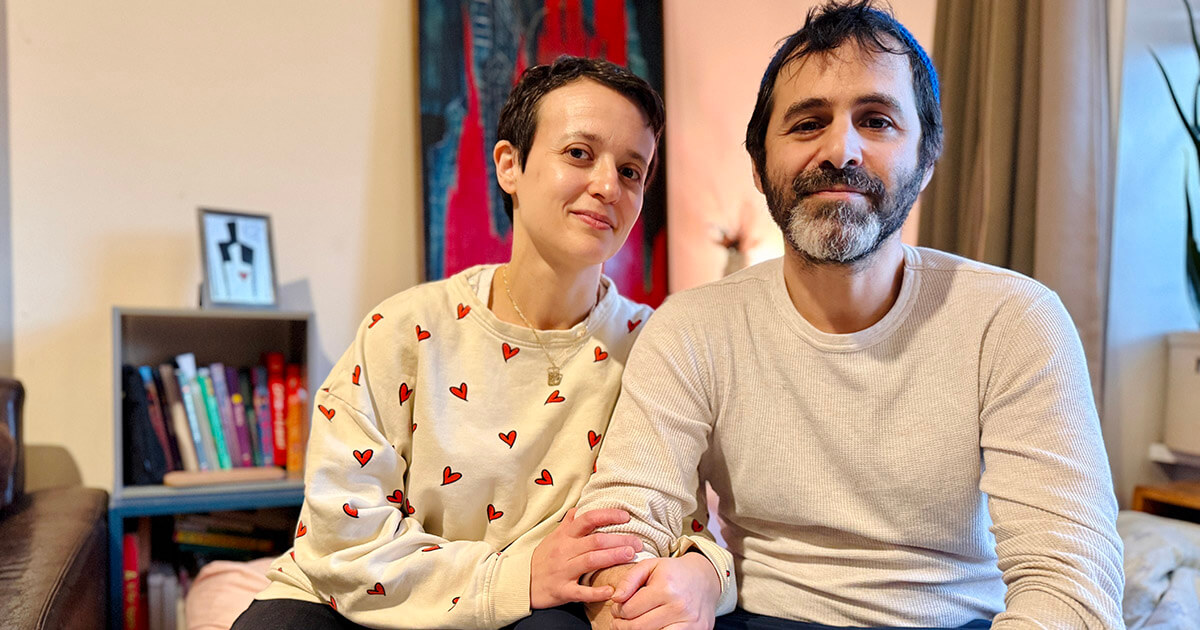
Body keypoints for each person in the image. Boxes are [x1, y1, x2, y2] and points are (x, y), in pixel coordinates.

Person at [571, 2, 1124, 628]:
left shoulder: (1015, 321)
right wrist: (629, 592)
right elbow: (623, 521)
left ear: (926, 160)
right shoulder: (690, 329)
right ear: (758, 166)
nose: (841, 150)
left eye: (877, 120)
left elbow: (1069, 583)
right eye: (807, 124)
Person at [231, 55, 663, 630]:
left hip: (536, 608)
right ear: (510, 165)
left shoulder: (654, 347)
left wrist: (706, 575)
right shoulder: (404, 329)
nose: (608, 186)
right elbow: (341, 528)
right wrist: (510, 576)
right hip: (360, 598)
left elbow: (683, 517)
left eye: (632, 170)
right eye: (579, 154)